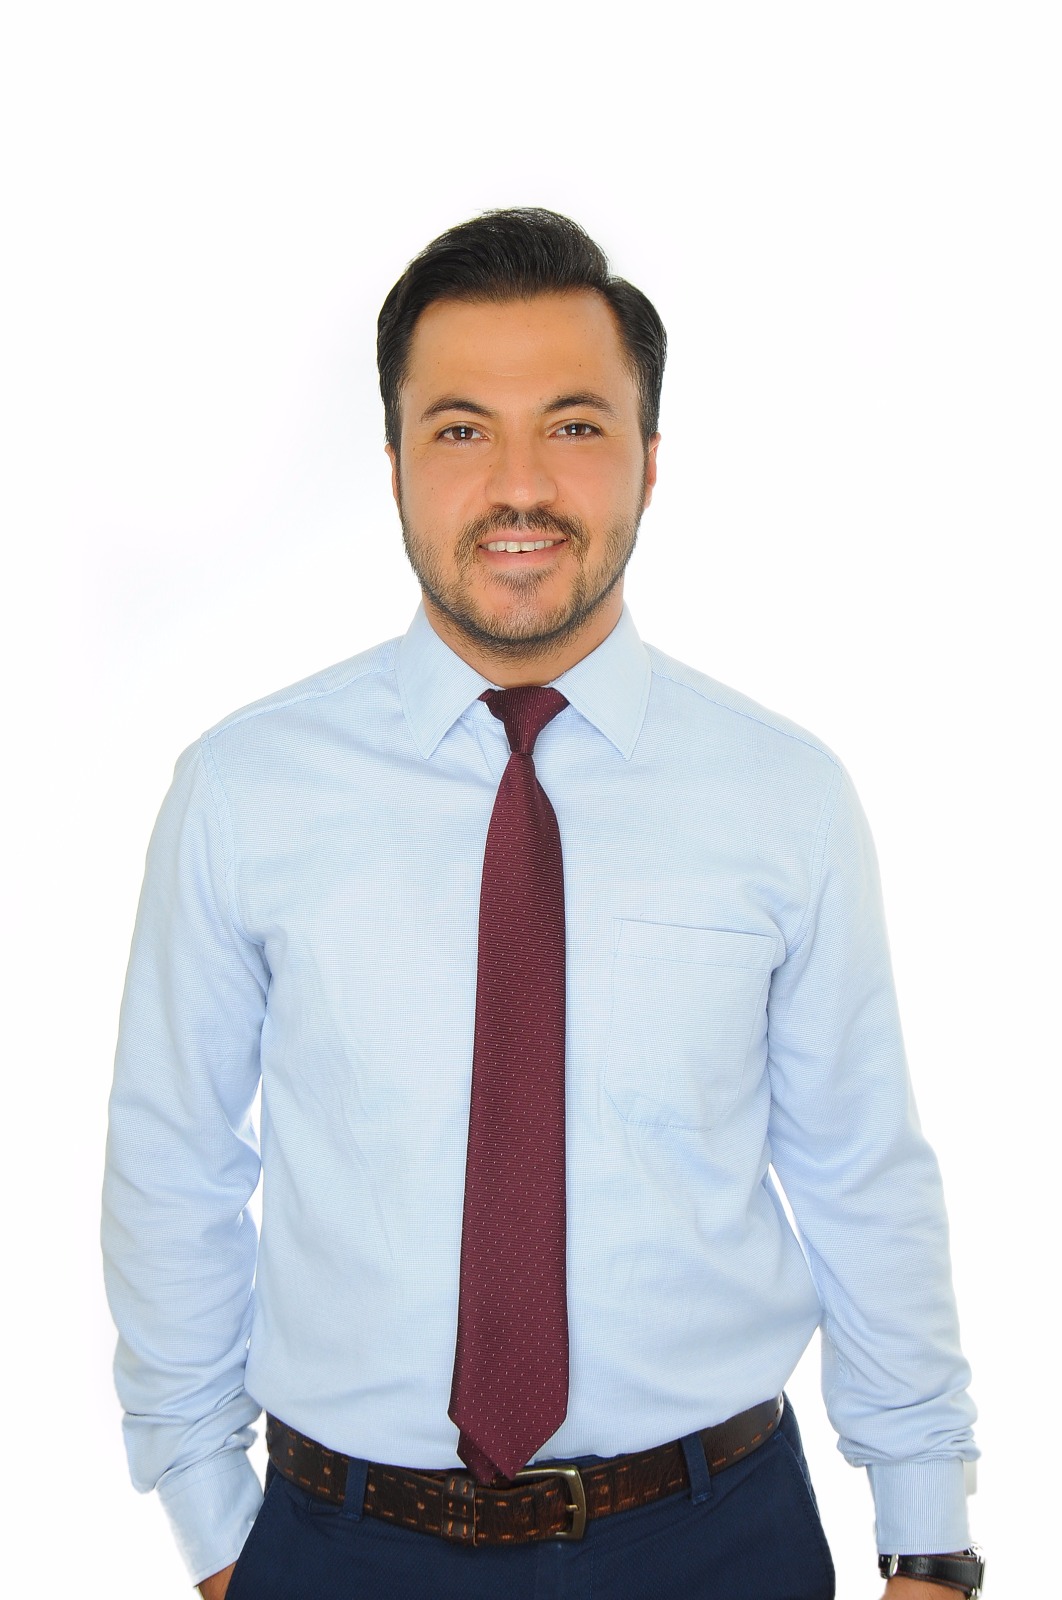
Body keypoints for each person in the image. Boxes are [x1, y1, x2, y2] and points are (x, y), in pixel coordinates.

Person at [102, 208, 982, 1600]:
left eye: (574, 425)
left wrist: (926, 1531)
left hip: (717, 1540)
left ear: (649, 458)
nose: (519, 485)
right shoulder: (242, 792)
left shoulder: (784, 796)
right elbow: (175, 1163)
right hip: (343, 1548)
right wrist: (215, 1526)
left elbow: (858, 1171)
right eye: (460, 430)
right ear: (394, 463)